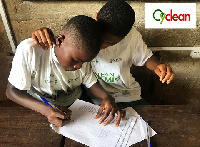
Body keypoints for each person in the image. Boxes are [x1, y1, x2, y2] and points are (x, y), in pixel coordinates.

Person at [31, 0, 175, 107]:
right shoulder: (84, 33)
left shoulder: (132, 37)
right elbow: (64, 43)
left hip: (127, 95)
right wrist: (42, 33)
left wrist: (157, 66)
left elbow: (145, 58)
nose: (102, 46)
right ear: (96, 17)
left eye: (111, 43)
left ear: (126, 36)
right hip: (95, 98)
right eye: (101, 38)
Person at [6, 15, 125, 128]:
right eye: (75, 60)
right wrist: (46, 110)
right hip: (40, 107)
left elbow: (90, 82)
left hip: (77, 107)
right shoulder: (31, 51)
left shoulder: (82, 56)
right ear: (60, 41)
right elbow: (12, 91)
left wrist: (107, 97)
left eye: (83, 62)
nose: (78, 66)